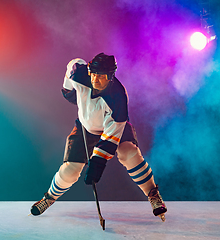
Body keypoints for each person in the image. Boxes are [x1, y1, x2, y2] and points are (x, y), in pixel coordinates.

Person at [30, 53, 167, 221]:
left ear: (110, 76)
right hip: (85, 128)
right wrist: (74, 95)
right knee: (69, 171)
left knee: (129, 153)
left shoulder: (118, 97)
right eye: (93, 74)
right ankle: (49, 198)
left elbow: (110, 137)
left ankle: (153, 194)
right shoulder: (77, 73)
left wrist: (97, 163)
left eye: (101, 76)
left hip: (113, 129)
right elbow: (69, 85)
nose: (95, 79)